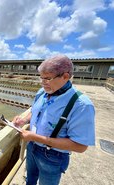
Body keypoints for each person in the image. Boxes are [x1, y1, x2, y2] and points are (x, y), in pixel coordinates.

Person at [13, 55, 95, 185]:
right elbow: (35, 111)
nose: (43, 82)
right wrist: (23, 120)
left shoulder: (81, 105)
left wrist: (35, 137)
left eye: (48, 78)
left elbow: (80, 146)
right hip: (32, 148)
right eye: (41, 77)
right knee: (30, 180)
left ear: (66, 76)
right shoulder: (42, 92)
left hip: (53, 157)